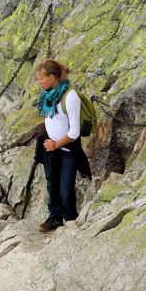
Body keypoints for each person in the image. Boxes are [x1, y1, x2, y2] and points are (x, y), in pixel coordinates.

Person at [34, 59, 90, 232]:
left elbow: (74, 132)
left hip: (66, 150)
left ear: (52, 77)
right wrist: (49, 144)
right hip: (50, 147)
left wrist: (56, 144)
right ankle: (55, 217)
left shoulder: (71, 97)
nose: (39, 82)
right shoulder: (47, 93)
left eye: (42, 79)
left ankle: (71, 219)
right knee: (52, 184)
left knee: (65, 189)